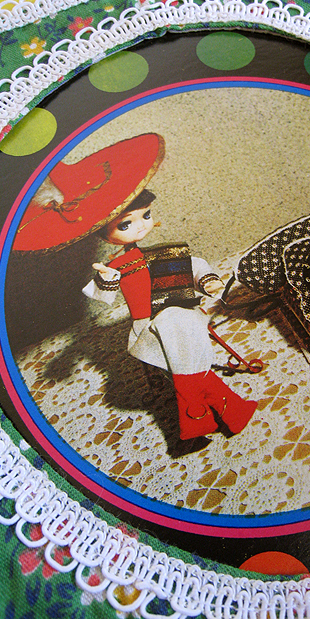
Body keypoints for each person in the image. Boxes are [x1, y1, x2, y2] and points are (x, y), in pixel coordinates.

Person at [82, 188, 258, 440]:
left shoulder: (165, 252)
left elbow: (194, 266)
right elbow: (103, 296)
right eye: (125, 224)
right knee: (169, 330)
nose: (141, 226)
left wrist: (207, 281)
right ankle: (223, 410)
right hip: (149, 326)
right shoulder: (117, 267)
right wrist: (107, 277)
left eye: (146, 215)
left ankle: (198, 415)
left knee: (175, 323)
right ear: (103, 233)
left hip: (183, 314)